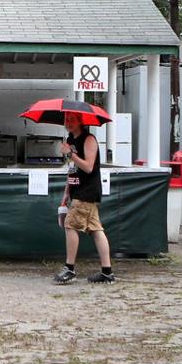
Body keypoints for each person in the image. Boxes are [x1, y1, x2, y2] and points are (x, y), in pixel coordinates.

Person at [53, 112, 114, 284]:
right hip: (76, 190)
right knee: (96, 230)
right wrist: (66, 192)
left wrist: (70, 153)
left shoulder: (89, 140)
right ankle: (107, 272)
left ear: (81, 121)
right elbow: (73, 169)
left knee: (70, 225)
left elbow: (88, 167)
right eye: (66, 120)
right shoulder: (71, 140)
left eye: (72, 120)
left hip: (87, 191)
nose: (68, 123)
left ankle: (70, 269)